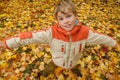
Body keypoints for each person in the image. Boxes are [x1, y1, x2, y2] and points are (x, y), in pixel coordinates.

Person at [0, 0, 117, 77]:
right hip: (57, 60)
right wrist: (7, 43)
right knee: (50, 67)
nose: (65, 21)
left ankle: (73, 69)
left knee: (73, 67)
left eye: (69, 16)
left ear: (76, 15)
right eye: (61, 19)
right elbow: (29, 37)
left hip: (74, 61)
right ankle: (45, 73)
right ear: (57, 21)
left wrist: (114, 43)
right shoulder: (51, 33)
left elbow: (101, 38)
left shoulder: (85, 33)